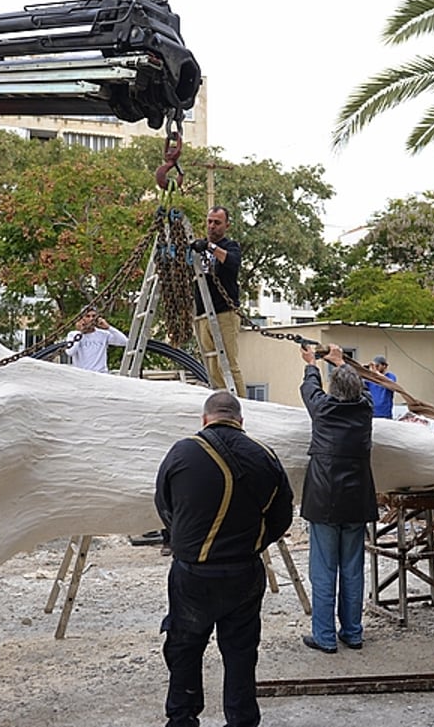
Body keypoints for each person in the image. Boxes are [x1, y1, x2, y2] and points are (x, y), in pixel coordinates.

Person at [155, 391, 294, 727]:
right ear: (241, 421)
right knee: (241, 654)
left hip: (193, 573)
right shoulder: (265, 456)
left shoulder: (182, 451)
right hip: (244, 571)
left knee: (185, 649)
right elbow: (282, 517)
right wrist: (255, 544)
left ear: (205, 419)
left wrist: (188, 541)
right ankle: (242, 720)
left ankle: (182, 718)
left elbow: (163, 504)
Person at [298, 343, 376, 653]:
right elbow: (363, 388)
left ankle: (325, 637)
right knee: (353, 570)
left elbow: (309, 388)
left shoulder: (323, 409)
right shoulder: (366, 409)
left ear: (333, 391)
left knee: (323, 571)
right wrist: (341, 361)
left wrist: (310, 363)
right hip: (357, 502)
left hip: (324, 501)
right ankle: (353, 633)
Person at [192, 206, 245, 397]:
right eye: (209, 221)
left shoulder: (231, 246)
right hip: (203, 313)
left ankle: (242, 403)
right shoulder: (197, 248)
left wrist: (210, 247)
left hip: (224, 313)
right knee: (212, 366)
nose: (212, 226)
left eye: (217, 222)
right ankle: (222, 400)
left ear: (226, 225)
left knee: (229, 363)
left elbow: (232, 262)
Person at [64, 306, 128, 373]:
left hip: (100, 373)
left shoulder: (103, 334)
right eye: (87, 316)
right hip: (82, 374)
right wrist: (80, 332)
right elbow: (70, 352)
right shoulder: (73, 334)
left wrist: (109, 328)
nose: (91, 319)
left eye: (93, 316)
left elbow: (125, 342)